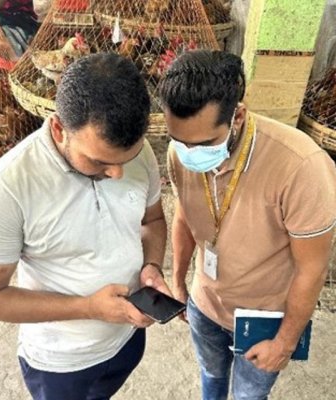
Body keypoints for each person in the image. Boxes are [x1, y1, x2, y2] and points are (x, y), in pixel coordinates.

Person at [0, 52, 169, 400]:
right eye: (99, 161)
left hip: (128, 338)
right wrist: (88, 307)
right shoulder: (6, 189)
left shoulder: (139, 151)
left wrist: (151, 266)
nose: (117, 173)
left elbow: (152, 220)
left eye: (127, 159)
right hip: (62, 363)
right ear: (59, 128)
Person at [158, 49, 336, 400]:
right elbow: (183, 214)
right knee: (211, 376)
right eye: (180, 141)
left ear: (238, 115)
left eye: (205, 143)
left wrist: (283, 343)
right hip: (204, 304)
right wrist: (179, 282)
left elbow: (311, 270)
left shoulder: (301, 166)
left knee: (248, 395)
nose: (190, 153)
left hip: (263, 319)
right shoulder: (179, 153)